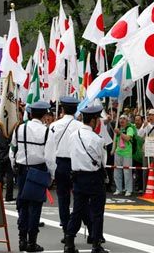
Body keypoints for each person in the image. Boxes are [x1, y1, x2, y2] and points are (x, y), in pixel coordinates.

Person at [45, 97, 91, 244]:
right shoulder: (80, 126)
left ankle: (67, 231)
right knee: (81, 199)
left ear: (63, 109)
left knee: (63, 200)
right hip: (77, 164)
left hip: (60, 164)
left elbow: (49, 151)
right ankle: (91, 230)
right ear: (76, 109)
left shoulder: (54, 125)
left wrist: (51, 172)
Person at [64, 105, 108, 253]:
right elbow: (103, 162)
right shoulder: (97, 139)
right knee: (96, 212)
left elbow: (71, 154)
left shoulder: (73, 135)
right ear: (94, 120)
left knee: (77, 210)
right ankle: (96, 244)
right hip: (94, 177)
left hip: (77, 176)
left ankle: (69, 242)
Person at [9, 101, 51, 252]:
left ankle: (22, 239)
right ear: (45, 115)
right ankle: (31, 243)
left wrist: (14, 164)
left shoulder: (20, 128)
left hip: (22, 169)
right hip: (39, 170)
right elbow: (49, 156)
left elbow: (13, 149)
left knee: (22, 204)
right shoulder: (46, 131)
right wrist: (51, 174)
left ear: (31, 113)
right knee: (35, 206)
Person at [113, 114, 134, 196]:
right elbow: (115, 141)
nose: (122, 120)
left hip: (127, 153)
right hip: (118, 152)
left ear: (127, 121)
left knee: (127, 172)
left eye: (124, 119)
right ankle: (118, 189)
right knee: (117, 171)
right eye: (120, 118)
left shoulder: (129, 129)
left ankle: (128, 189)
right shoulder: (117, 129)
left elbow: (128, 138)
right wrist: (113, 150)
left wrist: (120, 133)